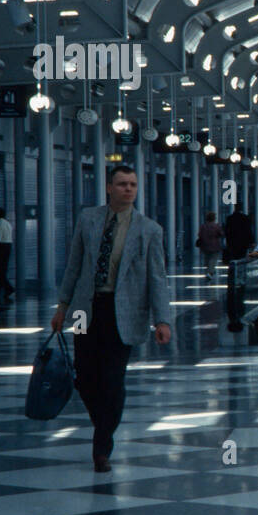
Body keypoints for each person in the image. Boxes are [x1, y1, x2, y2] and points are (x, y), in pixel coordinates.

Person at [52, 165, 172, 472]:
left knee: (113, 379)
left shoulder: (149, 230)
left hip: (124, 312)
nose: (128, 189)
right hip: (84, 309)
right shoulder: (88, 219)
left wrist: (163, 320)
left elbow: (157, 278)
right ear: (109, 188)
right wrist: (62, 306)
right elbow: (74, 265)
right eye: (122, 184)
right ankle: (102, 421)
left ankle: (102, 445)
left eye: (132, 184)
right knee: (84, 375)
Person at [197, 211, 224, 278]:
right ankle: (210, 271)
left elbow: (200, 235)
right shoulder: (216, 226)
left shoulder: (203, 226)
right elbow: (221, 234)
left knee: (207, 259)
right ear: (214, 218)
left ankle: (209, 271)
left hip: (205, 245)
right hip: (215, 245)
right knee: (213, 259)